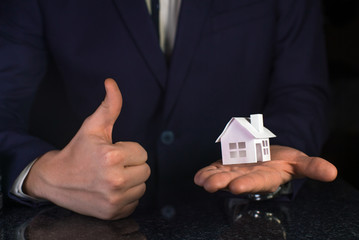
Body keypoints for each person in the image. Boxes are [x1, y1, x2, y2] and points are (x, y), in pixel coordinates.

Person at [0, 0, 337, 220]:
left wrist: (282, 144)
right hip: (77, 224)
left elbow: (301, 89)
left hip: (231, 219)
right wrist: (40, 173)